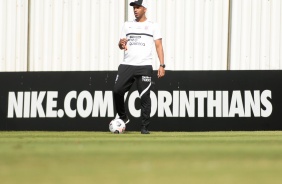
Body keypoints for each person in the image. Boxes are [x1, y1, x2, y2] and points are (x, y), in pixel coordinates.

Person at [113, 0, 165, 134]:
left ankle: (144, 127)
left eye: (138, 7)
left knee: (145, 97)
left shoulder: (153, 26)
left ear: (145, 9)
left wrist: (162, 65)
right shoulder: (127, 25)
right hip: (127, 64)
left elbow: (158, 45)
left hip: (144, 66)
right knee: (117, 90)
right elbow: (121, 45)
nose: (135, 10)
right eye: (134, 8)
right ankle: (123, 117)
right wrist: (121, 43)